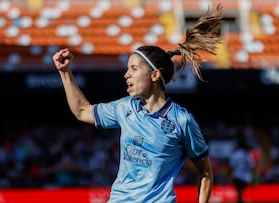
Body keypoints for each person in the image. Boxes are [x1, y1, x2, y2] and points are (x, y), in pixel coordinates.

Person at [52, 4, 223, 203]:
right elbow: (82, 111)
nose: (126, 75)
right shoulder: (125, 107)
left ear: (154, 74)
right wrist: (65, 73)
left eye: (133, 68)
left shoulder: (182, 120)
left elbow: (205, 172)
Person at [229, 136, 256, 203]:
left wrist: (230, 173)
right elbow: (252, 166)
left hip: (237, 175)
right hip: (246, 177)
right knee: (241, 191)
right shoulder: (248, 154)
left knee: (239, 191)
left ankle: (240, 199)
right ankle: (240, 199)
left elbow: (232, 165)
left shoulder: (235, 154)